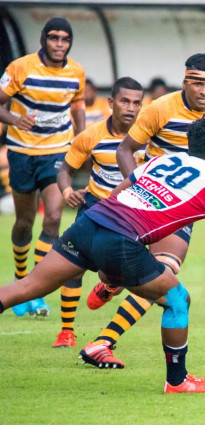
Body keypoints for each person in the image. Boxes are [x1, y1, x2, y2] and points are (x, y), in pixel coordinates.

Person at [0, 115, 205, 393]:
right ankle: (178, 381)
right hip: (120, 241)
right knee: (177, 298)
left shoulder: (161, 159)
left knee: (27, 286)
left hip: (90, 223)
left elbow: (123, 188)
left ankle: (112, 280)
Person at [78, 53, 205, 369]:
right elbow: (125, 149)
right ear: (185, 82)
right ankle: (110, 288)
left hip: (182, 208)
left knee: (163, 273)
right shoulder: (160, 109)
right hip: (148, 202)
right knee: (154, 276)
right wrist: (136, 187)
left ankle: (103, 339)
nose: (204, 91)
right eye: (197, 83)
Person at [0, 17, 85, 317]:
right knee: (24, 222)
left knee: (52, 217)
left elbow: (77, 105)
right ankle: (20, 278)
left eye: (65, 39)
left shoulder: (76, 72)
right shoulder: (20, 68)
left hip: (57, 152)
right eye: (54, 38)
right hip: (22, 153)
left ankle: (35, 290)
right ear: (43, 40)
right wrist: (14, 120)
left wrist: (82, 138)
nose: (59, 44)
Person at [51, 77, 144, 348]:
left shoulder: (148, 136)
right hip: (95, 207)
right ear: (111, 103)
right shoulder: (91, 135)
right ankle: (67, 331)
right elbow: (65, 170)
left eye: (137, 102)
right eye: (125, 101)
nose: (131, 108)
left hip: (132, 214)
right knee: (72, 267)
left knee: (123, 272)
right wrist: (68, 192)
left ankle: (110, 284)